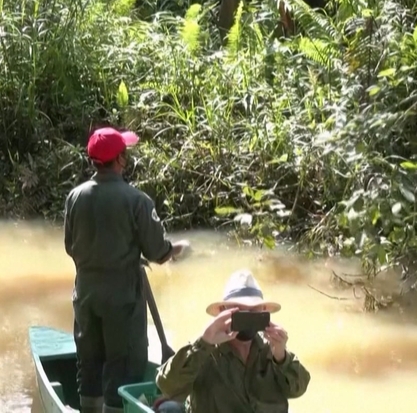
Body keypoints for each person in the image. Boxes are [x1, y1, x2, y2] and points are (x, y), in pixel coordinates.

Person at [64, 126, 191, 413]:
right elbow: (158, 252)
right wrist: (177, 249)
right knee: (123, 365)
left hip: (85, 294)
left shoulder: (75, 197)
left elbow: (70, 247)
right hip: (123, 298)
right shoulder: (137, 200)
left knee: (89, 361)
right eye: (125, 153)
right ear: (120, 159)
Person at [154, 269, 311, 413]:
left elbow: (298, 389)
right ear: (223, 312)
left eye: (253, 311)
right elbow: (167, 386)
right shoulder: (204, 352)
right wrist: (204, 341)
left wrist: (282, 357)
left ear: (263, 312)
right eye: (239, 311)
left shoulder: (273, 349)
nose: (246, 318)